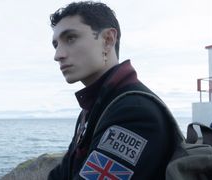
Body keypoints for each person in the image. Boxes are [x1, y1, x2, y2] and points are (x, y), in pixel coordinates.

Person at [48, 1, 176, 180]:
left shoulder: (134, 111)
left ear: (108, 40)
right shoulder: (93, 109)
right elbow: (62, 174)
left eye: (70, 38)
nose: (58, 55)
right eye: (56, 45)